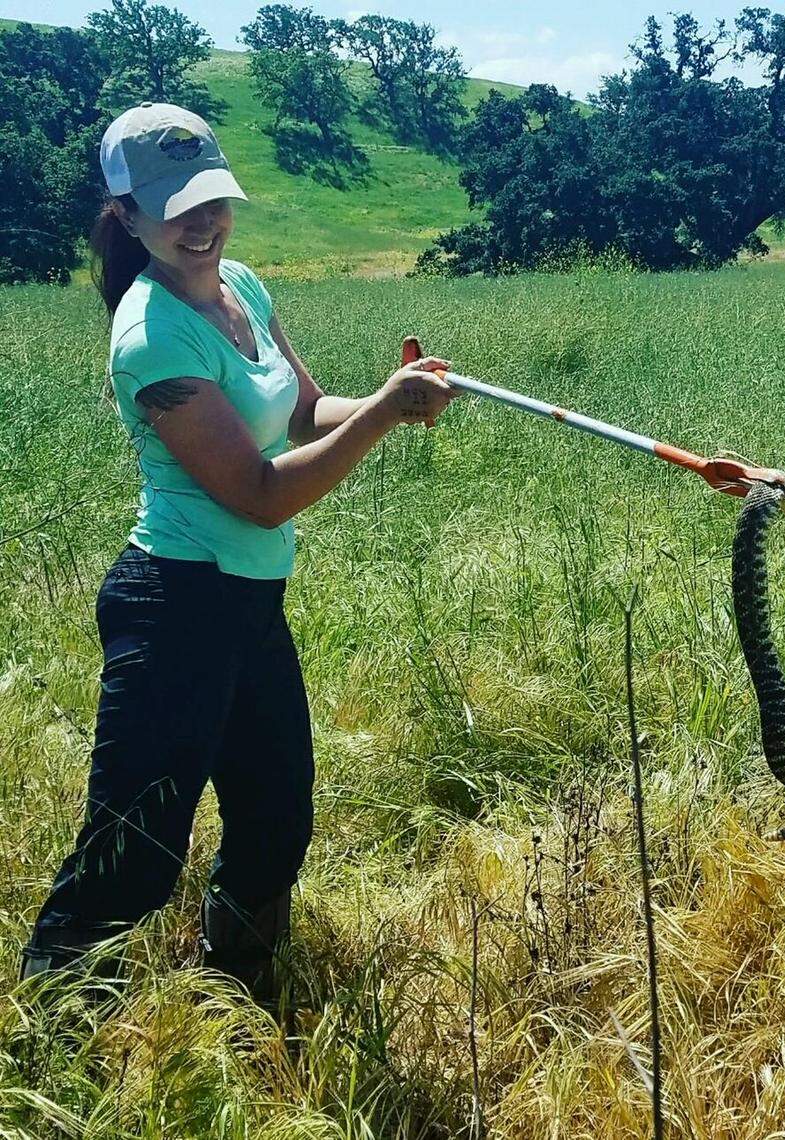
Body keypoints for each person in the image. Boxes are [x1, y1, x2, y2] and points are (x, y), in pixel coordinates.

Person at [19, 102, 459, 1006]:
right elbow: (261, 496)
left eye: (212, 197)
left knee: (276, 815)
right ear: (126, 216)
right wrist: (380, 419)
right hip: (175, 606)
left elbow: (303, 414)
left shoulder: (243, 288)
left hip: (248, 603)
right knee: (136, 851)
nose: (202, 222)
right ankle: (52, 1031)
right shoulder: (151, 338)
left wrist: (390, 397)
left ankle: (237, 995)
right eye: (174, 207)